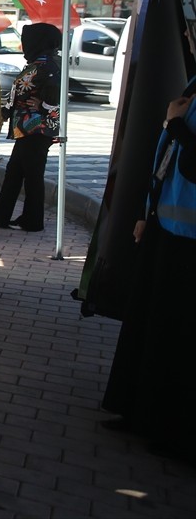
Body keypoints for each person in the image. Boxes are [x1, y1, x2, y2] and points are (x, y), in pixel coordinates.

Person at [101, 73, 196, 464]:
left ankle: (173, 430)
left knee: (176, 334)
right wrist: (148, 213)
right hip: (166, 227)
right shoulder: (193, 85)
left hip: (188, 240)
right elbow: (167, 160)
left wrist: (174, 125)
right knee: (150, 325)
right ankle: (140, 412)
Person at [0, 24, 62, 232]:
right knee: (15, 173)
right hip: (27, 129)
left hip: (36, 129)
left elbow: (57, 93)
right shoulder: (40, 62)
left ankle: (32, 220)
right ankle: (1, 214)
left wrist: (44, 106)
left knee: (32, 175)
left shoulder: (48, 64)